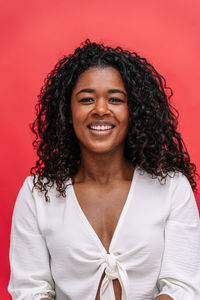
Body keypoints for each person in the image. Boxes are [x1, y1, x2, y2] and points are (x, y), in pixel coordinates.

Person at [8, 39, 200, 300]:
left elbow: (183, 288)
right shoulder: (37, 194)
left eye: (115, 99)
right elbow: (29, 290)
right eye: (87, 99)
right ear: (68, 111)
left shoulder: (172, 188)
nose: (100, 109)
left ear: (134, 110)